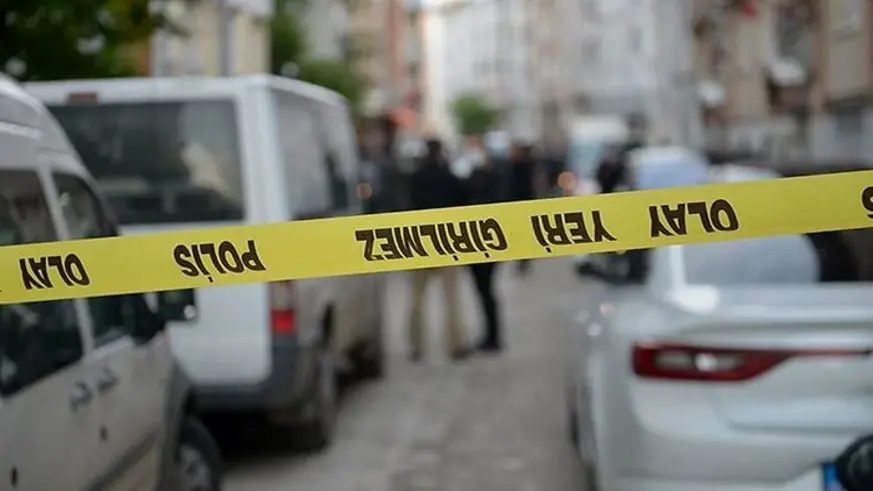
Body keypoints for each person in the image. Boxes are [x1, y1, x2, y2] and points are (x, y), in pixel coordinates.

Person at [407, 138, 468, 362]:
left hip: (420, 242)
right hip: (447, 241)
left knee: (417, 299)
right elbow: (462, 205)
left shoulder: (416, 178)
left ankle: (416, 345)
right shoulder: (450, 178)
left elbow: (408, 206)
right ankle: (455, 343)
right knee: (452, 298)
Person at [462, 137, 506, 352]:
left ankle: (493, 337)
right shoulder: (473, 176)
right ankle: (490, 335)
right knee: (483, 291)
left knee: (487, 291)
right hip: (474, 242)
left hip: (490, 243)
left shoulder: (496, 178)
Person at [508, 142, 539, 275]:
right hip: (517, 207)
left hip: (523, 206)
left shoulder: (523, 167)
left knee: (523, 235)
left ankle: (523, 260)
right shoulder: (514, 167)